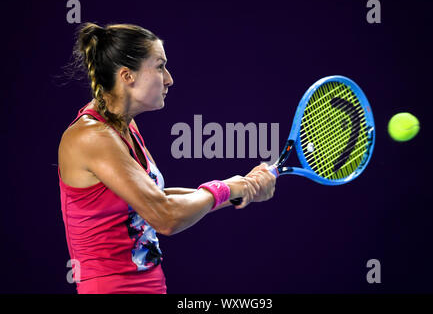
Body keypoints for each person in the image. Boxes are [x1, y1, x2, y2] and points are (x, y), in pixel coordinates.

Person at [57, 22, 276, 294]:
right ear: (127, 76)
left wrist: (241, 189)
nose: (169, 78)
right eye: (160, 66)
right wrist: (227, 188)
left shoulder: (123, 126)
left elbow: (157, 198)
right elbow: (165, 216)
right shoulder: (92, 137)